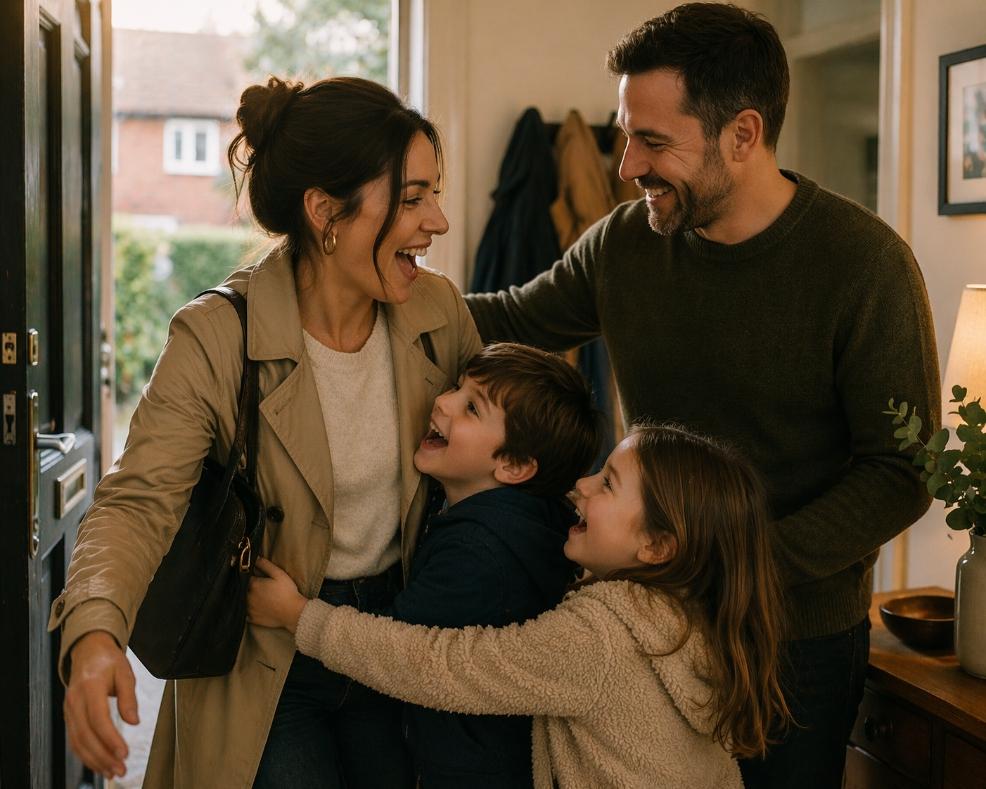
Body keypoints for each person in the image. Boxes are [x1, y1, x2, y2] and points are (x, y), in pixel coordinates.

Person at [462, 5, 941, 788]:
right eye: (627, 135)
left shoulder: (865, 266)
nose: (627, 166)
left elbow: (901, 472)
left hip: (794, 642)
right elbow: (508, 318)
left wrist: (734, 564)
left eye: (653, 142)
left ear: (743, 134)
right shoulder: (623, 244)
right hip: (648, 625)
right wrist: (380, 276)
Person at [48, 76, 481, 788]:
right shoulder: (217, 335)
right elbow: (138, 501)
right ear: (325, 212)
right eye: (412, 199)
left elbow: (492, 471)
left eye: (433, 194)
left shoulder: (439, 313)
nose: (438, 220)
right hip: (266, 661)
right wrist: (95, 631)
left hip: (395, 644)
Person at [249, 423, 791, 788]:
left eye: (608, 484)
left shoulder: (601, 639)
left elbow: (443, 665)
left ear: (656, 546)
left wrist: (300, 617)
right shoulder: (694, 614)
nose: (582, 486)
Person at [351, 341, 600, 787]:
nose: (442, 402)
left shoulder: (476, 554)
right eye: (456, 387)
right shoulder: (532, 519)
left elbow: (387, 649)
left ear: (514, 466)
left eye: (471, 408)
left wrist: (296, 614)